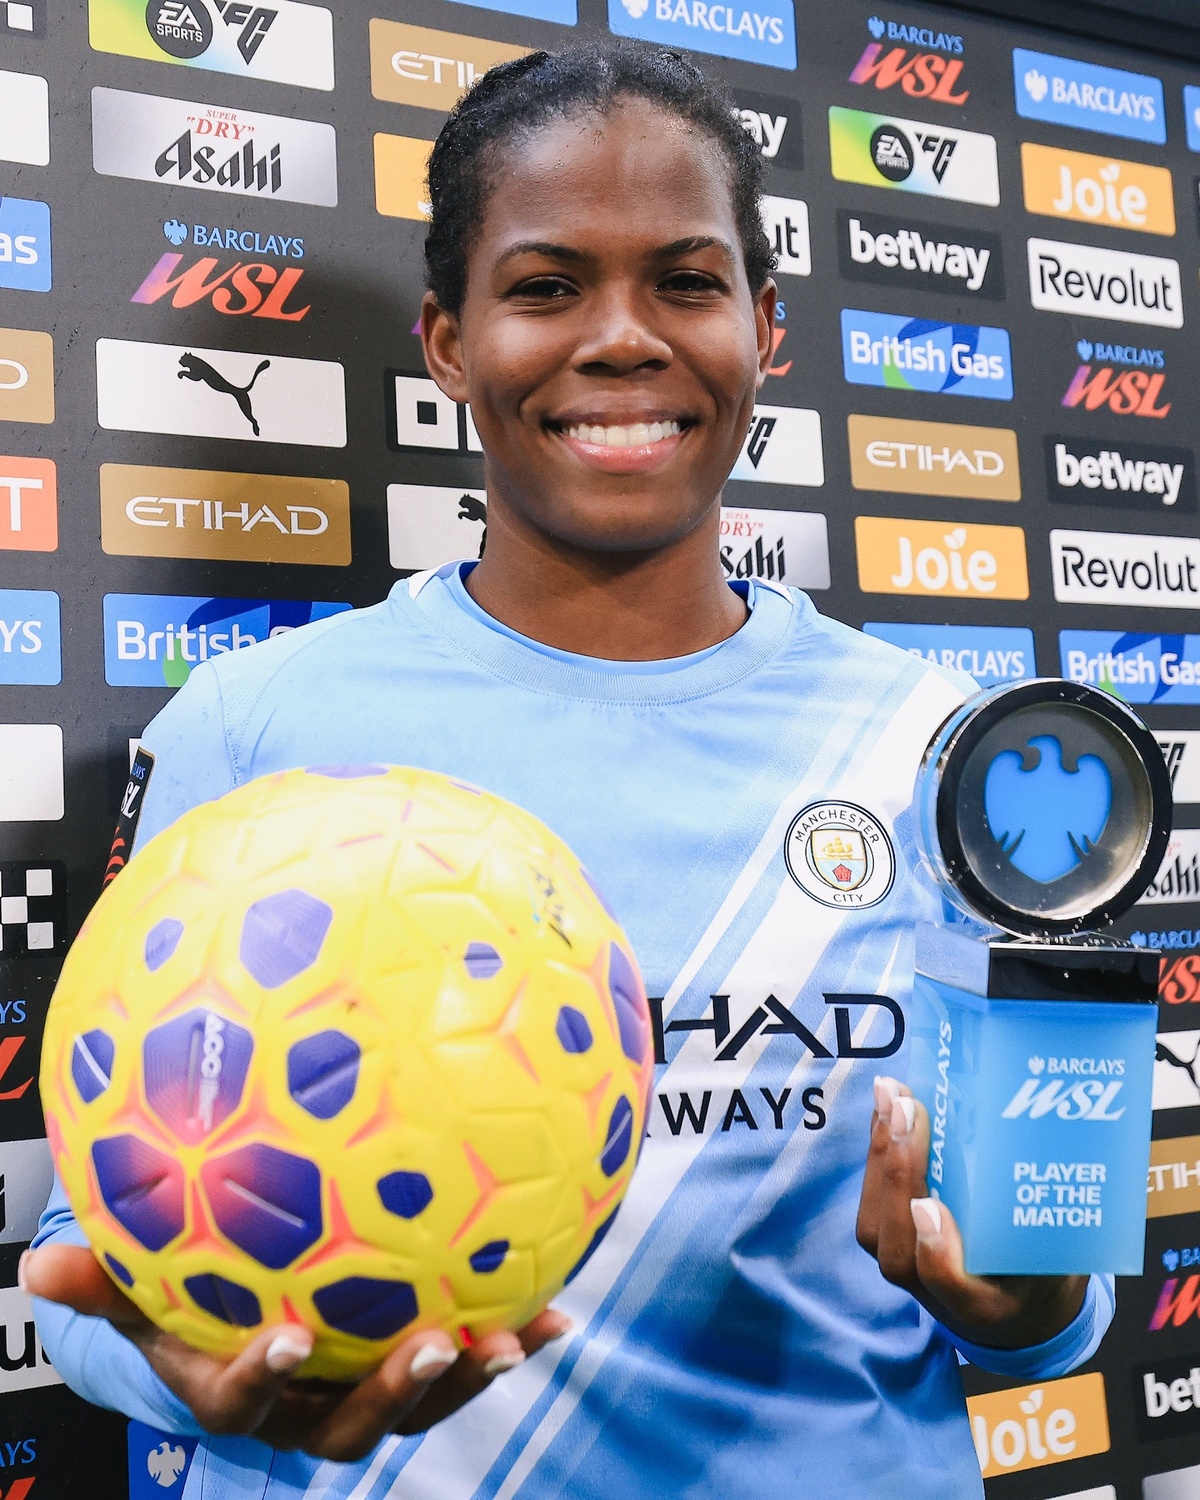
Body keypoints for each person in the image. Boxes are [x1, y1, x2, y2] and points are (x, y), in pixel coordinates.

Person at [26, 39, 1112, 1499]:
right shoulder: (249, 728)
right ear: (449, 341)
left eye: (685, 280)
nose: (622, 338)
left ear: (763, 329)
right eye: (546, 287)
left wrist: (1035, 1302)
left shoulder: (957, 754)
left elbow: (1060, 1295)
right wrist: (203, 1380)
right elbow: (75, 1268)